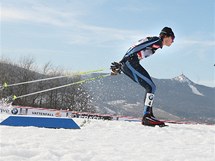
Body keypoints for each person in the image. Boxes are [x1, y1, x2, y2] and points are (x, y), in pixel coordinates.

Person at [111, 27, 175, 127]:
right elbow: (137, 47)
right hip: (131, 62)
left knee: (150, 87)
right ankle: (147, 117)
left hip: (129, 63)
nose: (173, 41)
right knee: (151, 87)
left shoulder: (155, 42)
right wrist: (122, 62)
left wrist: (121, 63)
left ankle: (149, 115)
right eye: (173, 38)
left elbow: (135, 47)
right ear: (166, 36)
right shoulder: (156, 40)